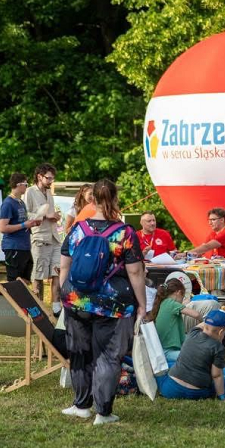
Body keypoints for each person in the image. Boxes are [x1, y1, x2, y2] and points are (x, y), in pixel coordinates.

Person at [59, 178, 146, 425]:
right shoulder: (125, 233)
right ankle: (103, 412)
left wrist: (65, 294)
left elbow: (64, 265)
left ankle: (81, 405)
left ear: (92, 199)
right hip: (114, 304)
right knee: (108, 356)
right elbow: (136, 273)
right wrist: (142, 304)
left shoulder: (78, 228)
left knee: (79, 352)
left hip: (76, 300)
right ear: (115, 199)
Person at [159, 309, 225, 400]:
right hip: (197, 393)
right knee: (221, 382)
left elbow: (203, 325)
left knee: (167, 370)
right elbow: (216, 375)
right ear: (221, 332)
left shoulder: (192, 333)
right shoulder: (219, 348)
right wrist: (222, 396)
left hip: (172, 389)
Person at [24, 163, 62, 305]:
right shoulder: (30, 192)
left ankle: (56, 306)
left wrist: (55, 216)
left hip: (54, 238)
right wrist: (46, 216)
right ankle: (39, 308)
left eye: (52, 179)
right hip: (39, 238)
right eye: (48, 178)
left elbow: (50, 213)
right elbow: (24, 214)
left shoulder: (48, 192)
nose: (51, 181)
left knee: (57, 271)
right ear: (39, 177)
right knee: (38, 275)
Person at [146, 280, 203, 361]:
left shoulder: (163, 302)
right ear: (178, 292)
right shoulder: (171, 303)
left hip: (163, 349)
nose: (182, 301)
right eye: (182, 298)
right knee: (200, 355)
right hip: (168, 352)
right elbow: (196, 314)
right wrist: (203, 321)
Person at [0, 173, 40, 283]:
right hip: (14, 247)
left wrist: (32, 224)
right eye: (26, 184)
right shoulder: (8, 203)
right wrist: (24, 225)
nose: (27, 187)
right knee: (14, 281)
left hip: (24, 246)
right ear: (18, 184)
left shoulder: (21, 202)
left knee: (26, 279)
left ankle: (22, 300)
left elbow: (22, 222)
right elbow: (3, 228)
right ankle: (13, 300)